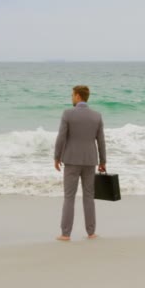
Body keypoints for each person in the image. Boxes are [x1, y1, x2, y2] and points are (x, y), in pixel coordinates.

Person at [54, 85, 106, 241]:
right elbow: (101, 141)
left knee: (69, 197)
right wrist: (103, 161)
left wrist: (56, 157)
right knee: (89, 197)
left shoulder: (68, 114)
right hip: (90, 160)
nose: (71, 97)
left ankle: (65, 234)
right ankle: (91, 232)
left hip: (71, 160)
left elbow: (61, 137)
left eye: (72, 95)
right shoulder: (97, 116)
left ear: (77, 96)